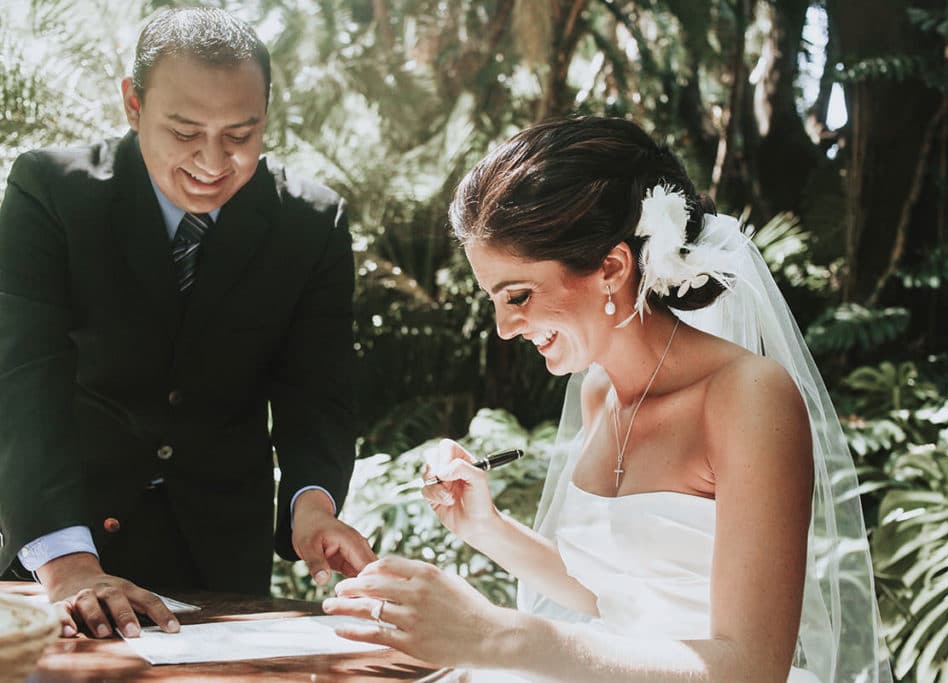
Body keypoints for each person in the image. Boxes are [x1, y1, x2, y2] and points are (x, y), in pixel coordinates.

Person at [321, 117, 893, 682]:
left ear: (612, 269)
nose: (502, 327)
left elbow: (751, 667)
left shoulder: (748, 397)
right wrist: (485, 525)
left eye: (517, 294)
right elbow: (616, 595)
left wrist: (501, 636)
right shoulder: (599, 393)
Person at [0, 7, 374, 640]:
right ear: (133, 104)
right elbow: (21, 379)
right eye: (184, 131)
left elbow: (317, 392)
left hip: (220, 559)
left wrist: (313, 506)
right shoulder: (49, 195)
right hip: (60, 544)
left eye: (241, 134)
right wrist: (68, 568)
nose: (213, 161)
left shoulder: (311, 224)